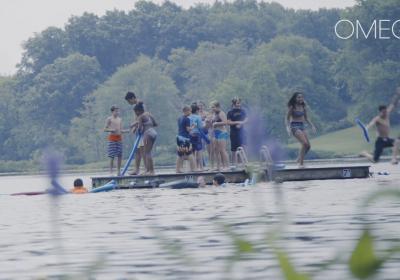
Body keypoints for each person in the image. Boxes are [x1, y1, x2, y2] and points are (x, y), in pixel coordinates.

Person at [361, 88, 400, 164]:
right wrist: (366, 128)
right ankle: (364, 153)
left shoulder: (387, 114)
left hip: (387, 139)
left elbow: (393, 104)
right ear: (380, 112)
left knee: (397, 141)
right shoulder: (377, 119)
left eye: (385, 112)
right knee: (375, 160)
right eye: (383, 112)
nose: (385, 114)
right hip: (380, 141)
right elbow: (370, 124)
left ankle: (393, 159)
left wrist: (398, 94)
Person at [285, 92, 317, 168]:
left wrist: (312, 126)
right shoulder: (292, 107)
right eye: (298, 97)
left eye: (301, 97)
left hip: (302, 126)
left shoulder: (303, 106)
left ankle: (299, 159)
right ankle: (301, 164)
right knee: (304, 143)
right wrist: (288, 127)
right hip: (294, 126)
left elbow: (306, 118)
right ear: (295, 99)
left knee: (308, 146)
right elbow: (287, 118)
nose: (300, 99)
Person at [104, 105, 129, 175]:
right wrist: (111, 129)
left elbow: (120, 130)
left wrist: (126, 131)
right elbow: (105, 129)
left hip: (119, 138)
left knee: (119, 155)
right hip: (112, 138)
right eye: (115, 111)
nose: (117, 112)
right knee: (112, 155)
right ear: (112, 111)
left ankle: (118, 171)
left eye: (118, 111)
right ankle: (111, 171)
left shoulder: (120, 119)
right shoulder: (109, 119)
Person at [133, 103, 157, 175]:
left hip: (147, 134)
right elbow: (155, 124)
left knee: (147, 153)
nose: (135, 114)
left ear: (138, 111)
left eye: (135, 112)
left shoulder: (141, 116)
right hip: (153, 133)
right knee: (148, 152)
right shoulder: (149, 114)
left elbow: (140, 129)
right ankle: (149, 170)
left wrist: (136, 129)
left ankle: (151, 171)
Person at [125, 91, 144, 175]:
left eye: (129, 101)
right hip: (138, 131)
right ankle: (136, 170)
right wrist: (134, 128)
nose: (129, 103)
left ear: (133, 98)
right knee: (137, 151)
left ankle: (147, 169)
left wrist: (134, 125)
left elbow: (142, 117)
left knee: (142, 151)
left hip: (142, 131)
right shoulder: (136, 105)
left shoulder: (140, 104)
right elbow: (137, 118)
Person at [227, 97, 248, 166]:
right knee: (234, 149)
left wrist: (241, 123)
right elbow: (228, 122)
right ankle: (234, 164)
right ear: (234, 104)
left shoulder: (243, 111)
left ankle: (243, 163)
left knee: (243, 147)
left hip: (242, 132)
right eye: (237, 103)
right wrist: (237, 122)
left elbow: (247, 119)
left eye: (239, 103)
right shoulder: (230, 112)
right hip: (234, 132)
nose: (239, 104)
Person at [176, 106, 196, 173]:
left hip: (179, 137)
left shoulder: (179, 118)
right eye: (190, 111)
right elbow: (188, 129)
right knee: (189, 153)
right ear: (186, 111)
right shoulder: (187, 119)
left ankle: (178, 169)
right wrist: (193, 126)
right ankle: (193, 169)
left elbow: (181, 128)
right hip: (185, 138)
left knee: (180, 154)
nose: (190, 112)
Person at [211, 101, 230, 171]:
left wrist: (217, 123)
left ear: (217, 107)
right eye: (211, 107)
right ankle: (219, 166)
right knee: (216, 150)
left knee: (223, 150)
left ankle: (227, 166)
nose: (212, 108)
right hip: (215, 133)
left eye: (213, 107)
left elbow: (225, 122)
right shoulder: (214, 114)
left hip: (222, 132)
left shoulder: (221, 113)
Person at [189, 103, 204, 171]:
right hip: (197, 135)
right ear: (197, 110)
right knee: (199, 151)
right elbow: (200, 127)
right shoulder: (198, 117)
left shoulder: (188, 117)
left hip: (190, 135)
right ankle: (201, 167)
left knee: (192, 152)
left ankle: (192, 168)